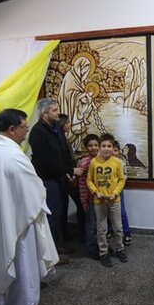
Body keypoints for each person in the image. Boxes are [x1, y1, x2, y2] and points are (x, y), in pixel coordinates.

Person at [0, 108, 59, 305]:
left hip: (9, 214)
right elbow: (33, 187)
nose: (26, 132)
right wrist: (41, 190)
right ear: (12, 129)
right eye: (24, 128)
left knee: (16, 259)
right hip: (19, 220)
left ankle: (15, 298)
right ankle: (21, 303)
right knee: (22, 260)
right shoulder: (11, 155)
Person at [28, 99, 82, 258]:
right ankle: (50, 253)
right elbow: (45, 161)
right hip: (48, 179)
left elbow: (64, 152)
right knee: (53, 213)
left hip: (60, 177)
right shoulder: (38, 132)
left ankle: (59, 243)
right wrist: (70, 169)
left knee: (61, 210)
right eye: (54, 110)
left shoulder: (56, 128)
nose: (58, 113)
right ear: (45, 113)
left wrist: (69, 171)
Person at [87, 133, 128, 267]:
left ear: (113, 147)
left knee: (118, 228)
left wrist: (115, 193)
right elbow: (89, 180)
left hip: (114, 200)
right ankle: (103, 252)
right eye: (103, 146)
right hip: (99, 202)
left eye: (109, 146)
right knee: (102, 229)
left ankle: (119, 249)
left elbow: (122, 179)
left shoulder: (117, 162)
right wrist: (95, 192)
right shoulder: (94, 162)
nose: (106, 149)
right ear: (99, 147)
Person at [58, 113, 86, 242]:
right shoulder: (60, 140)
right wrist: (70, 176)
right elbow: (62, 161)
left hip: (70, 175)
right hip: (67, 177)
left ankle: (76, 233)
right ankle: (74, 235)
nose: (69, 125)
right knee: (68, 206)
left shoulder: (64, 138)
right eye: (67, 122)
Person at [78, 133, 100, 258]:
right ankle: (91, 248)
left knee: (101, 224)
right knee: (91, 224)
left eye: (96, 145)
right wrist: (84, 200)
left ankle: (102, 246)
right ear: (86, 147)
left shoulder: (105, 160)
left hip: (103, 198)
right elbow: (82, 183)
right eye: (90, 145)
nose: (94, 148)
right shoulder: (84, 162)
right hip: (90, 199)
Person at [113, 141, 132, 246]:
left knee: (121, 212)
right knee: (107, 213)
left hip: (118, 191)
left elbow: (123, 178)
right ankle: (110, 231)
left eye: (115, 150)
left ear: (119, 151)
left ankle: (127, 233)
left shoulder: (121, 163)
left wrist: (116, 188)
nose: (113, 152)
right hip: (106, 192)